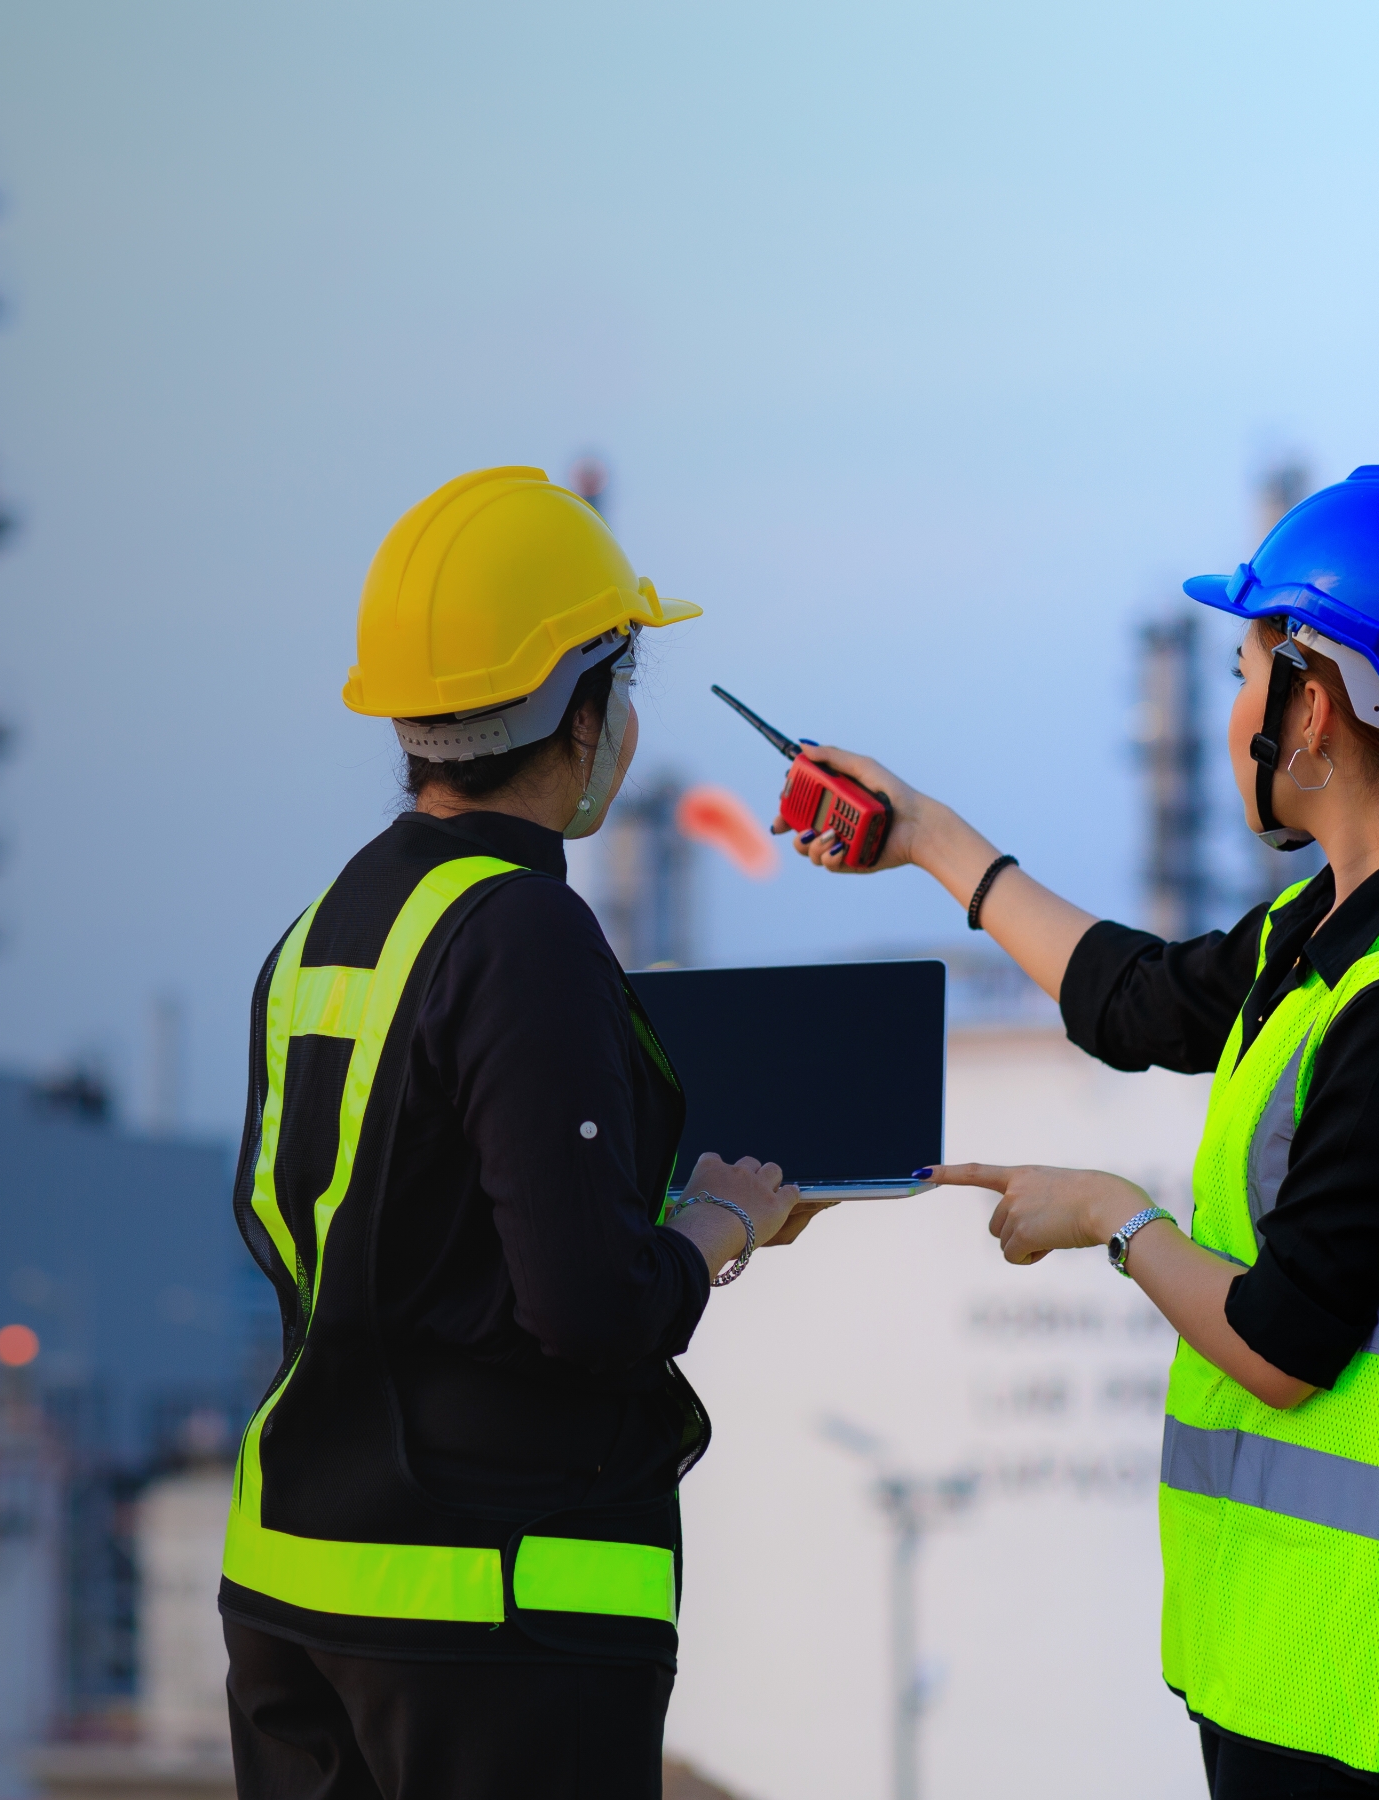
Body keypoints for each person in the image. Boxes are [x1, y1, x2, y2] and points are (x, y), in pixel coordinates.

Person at [780, 465, 1379, 1800]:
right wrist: (928, 839)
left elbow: (1290, 1344)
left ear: (1314, 707)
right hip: (1302, 1668)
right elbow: (1131, 1002)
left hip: (1366, 1699)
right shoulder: (1333, 935)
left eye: (1246, 667)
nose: (1234, 702)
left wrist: (1117, 1220)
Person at [220, 466, 830, 1800]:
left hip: (293, 1579)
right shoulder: (523, 929)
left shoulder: (330, 923)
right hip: (486, 1618)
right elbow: (590, 1308)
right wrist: (712, 1229)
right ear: (584, 708)